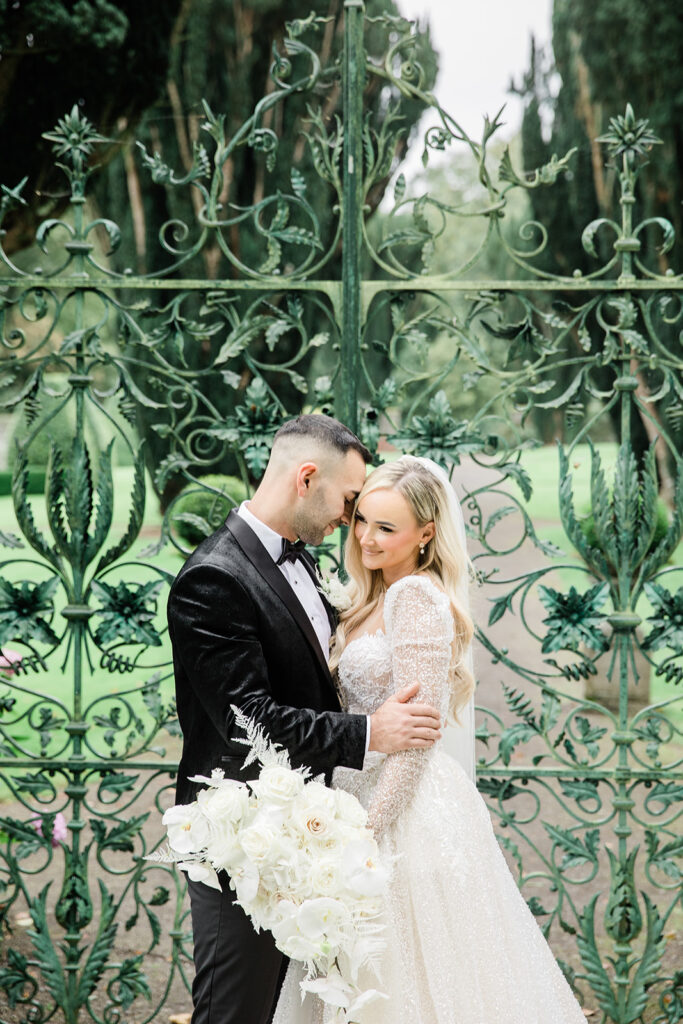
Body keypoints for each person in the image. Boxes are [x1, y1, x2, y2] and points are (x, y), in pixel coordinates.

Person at [272, 455, 587, 1024]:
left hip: (404, 809)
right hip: (355, 789)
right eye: (362, 519)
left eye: (386, 528)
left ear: (426, 534)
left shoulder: (414, 599)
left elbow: (417, 738)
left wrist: (366, 834)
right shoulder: (366, 596)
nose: (366, 537)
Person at [167, 417, 443, 1024]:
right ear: (307, 477)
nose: (352, 520)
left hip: (311, 835)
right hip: (243, 840)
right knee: (235, 1012)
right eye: (349, 501)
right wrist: (372, 733)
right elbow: (250, 721)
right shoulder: (215, 577)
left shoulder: (304, 563)